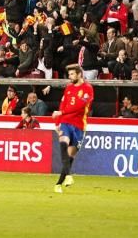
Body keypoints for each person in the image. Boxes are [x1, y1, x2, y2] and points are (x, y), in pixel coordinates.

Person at [52, 64, 94, 193]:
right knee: (63, 144)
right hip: (66, 122)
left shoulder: (87, 88)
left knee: (70, 156)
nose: (70, 77)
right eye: (69, 74)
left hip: (79, 125)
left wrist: (61, 113)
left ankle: (58, 183)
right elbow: (62, 104)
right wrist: (58, 123)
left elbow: (80, 106)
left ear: (79, 74)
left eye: (72, 74)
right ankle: (69, 176)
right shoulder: (69, 88)